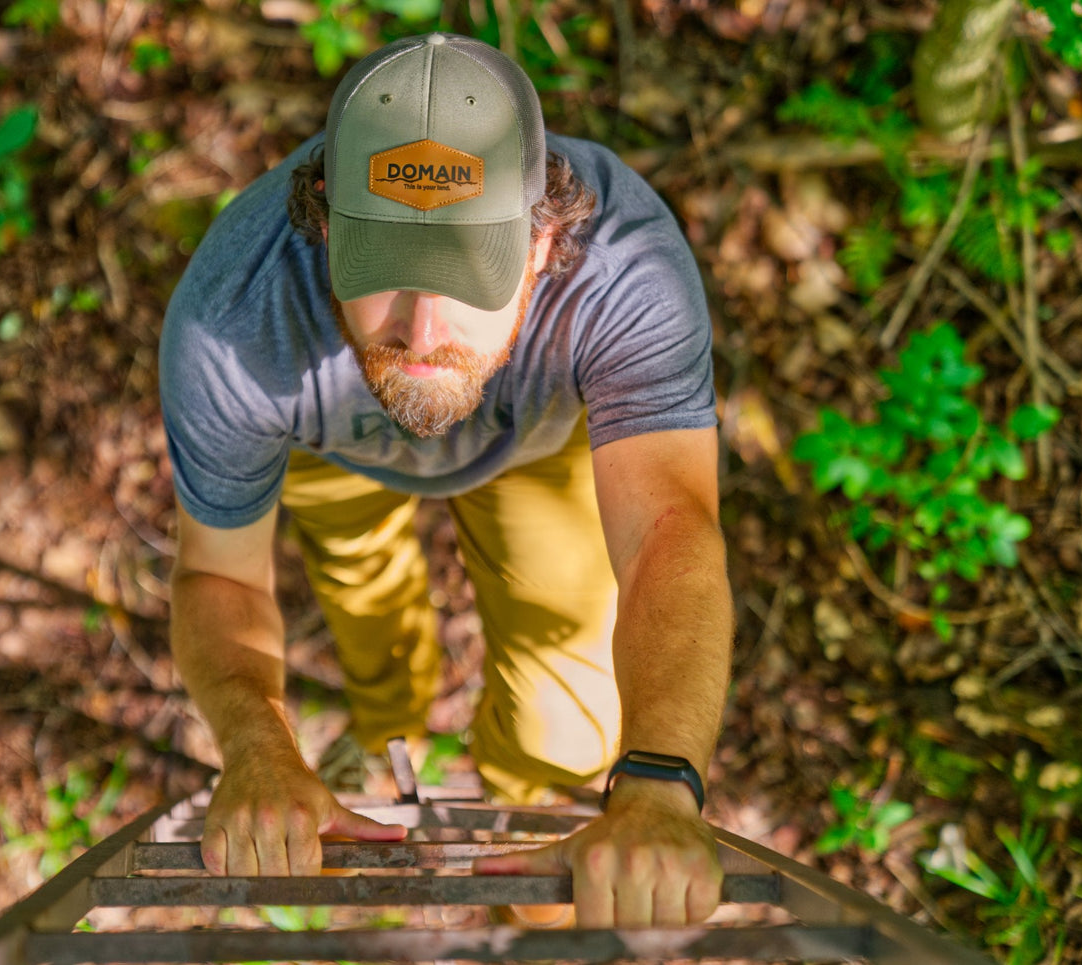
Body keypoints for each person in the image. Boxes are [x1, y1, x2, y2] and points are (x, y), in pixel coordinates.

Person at [158, 32, 733, 928]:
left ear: (544, 243)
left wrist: (657, 782)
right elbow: (219, 573)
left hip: (536, 451)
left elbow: (669, 532)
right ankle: (389, 727)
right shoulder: (234, 313)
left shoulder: (628, 266)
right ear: (322, 228)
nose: (422, 334)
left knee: (568, 715)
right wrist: (256, 744)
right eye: (381, 275)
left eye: (467, 277)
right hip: (329, 448)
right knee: (365, 608)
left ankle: (525, 822)